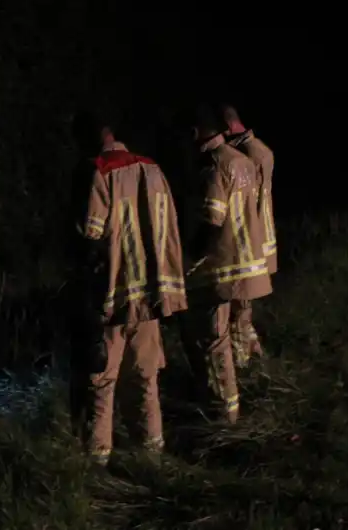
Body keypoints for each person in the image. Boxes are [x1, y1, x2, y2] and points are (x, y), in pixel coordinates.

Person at [72, 110, 188, 467]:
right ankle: (152, 458)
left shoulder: (100, 172)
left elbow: (91, 236)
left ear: (91, 138)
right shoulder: (153, 169)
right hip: (152, 296)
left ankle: (97, 465)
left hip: (113, 298)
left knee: (101, 383)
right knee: (145, 379)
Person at [183, 105, 273, 424]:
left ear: (195, 133)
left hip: (223, 266)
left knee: (214, 340)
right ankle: (253, 382)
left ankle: (225, 413)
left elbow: (212, 218)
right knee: (239, 328)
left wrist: (191, 256)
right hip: (247, 260)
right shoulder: (243, 161)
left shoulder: (214, 165)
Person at [220, 104, 277, 368]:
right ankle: (254, 354)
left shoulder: (244, 157)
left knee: (238, 309)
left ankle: (242, 365)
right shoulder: (261, 150)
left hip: (248, 243)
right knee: (244, 309)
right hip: (262, 240)